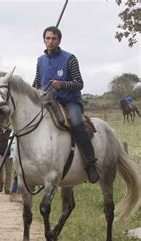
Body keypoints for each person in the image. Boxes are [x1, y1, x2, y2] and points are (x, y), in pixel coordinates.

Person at [33, 26, 99, 183]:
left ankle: (91, 163)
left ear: (59, 41)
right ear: (44, 40)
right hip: (48, 102)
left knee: (76, 123)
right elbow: (37, 83)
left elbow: (79, 83)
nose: (50, 41)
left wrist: (62, 85)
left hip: (70, 101)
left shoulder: (70, 58)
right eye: (48, 38)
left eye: (54, 38)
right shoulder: (40, 61)